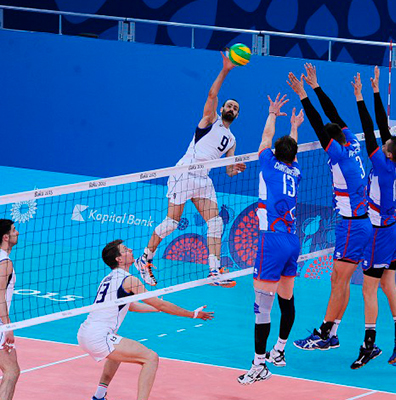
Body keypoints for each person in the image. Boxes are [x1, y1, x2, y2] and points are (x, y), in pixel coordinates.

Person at [134, 51, 247, 288]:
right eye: (229, 105)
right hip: (185, 172)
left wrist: (234, 168)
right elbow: (212, 94)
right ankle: (145, 258)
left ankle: (214, 271)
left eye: (235, 108)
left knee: (216, 222)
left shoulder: (232, 139)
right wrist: (225, 70)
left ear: (237, 115)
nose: (231, 108)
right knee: (171, 223)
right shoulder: (209, 121)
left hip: (203, 179)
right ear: (222, 109)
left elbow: (228, 170)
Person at [289, 64, 373, 351]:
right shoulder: (352, 142)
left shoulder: (338, 154)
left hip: (352, 225)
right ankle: (332, 333)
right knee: (340, 279)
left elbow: (318, 122)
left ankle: (323, 333)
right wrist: (316, 87)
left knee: (339, 281)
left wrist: (303, 95)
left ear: (330, 143)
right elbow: (333, 115)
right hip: (355, 223)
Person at [78, 239, 213, 400]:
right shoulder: (130, 280)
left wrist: (156, 308)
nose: (130, 250)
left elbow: (131, 305)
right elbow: (160, 304)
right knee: (150, 358)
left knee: (117, 352)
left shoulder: (108, 278)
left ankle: (99, 396)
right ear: (119, 259)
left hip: (85, 333)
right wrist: (192, 314)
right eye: (125, 250)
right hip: (98, 337)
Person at [350, 68, 396, 369]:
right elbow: (383, 128)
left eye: (384, 147)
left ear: (387, 154)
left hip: (379, 233)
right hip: (394, 230)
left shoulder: (383, 164)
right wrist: (376, 91)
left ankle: (369, 344)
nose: (382, 144)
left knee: (368, 289)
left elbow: (369, 128)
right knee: (389, 285)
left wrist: (359, 97)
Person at [237, 94, 304, 385]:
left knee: (262, 307)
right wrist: (294, 127)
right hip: (292, 241)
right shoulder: (296, 171)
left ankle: (259, 365)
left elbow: (266, 138)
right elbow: (289, 149)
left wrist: (272, 114)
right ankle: (279, 350)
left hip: (271, 241)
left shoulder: (267, 162)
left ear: (275, 153)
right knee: (286, 298)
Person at [0, 219, 20, 400]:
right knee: (11, 371)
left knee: (13, 370)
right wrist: (8, 326)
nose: (17, 233)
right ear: (5, 237)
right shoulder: (5, 262)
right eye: (14, 230)